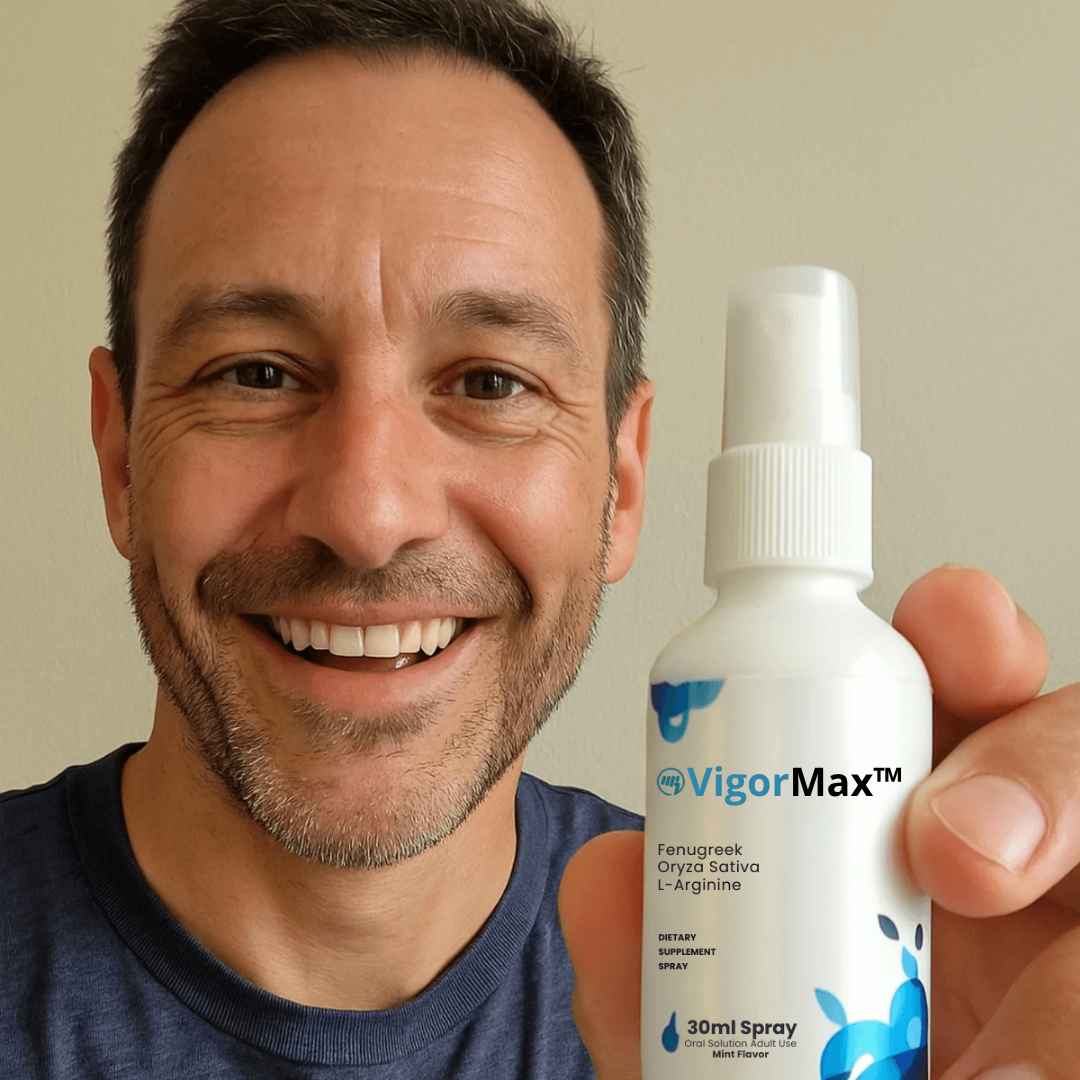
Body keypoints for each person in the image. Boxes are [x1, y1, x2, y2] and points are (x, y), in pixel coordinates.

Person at [0, 1, 1076, 1078]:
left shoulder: (763, 1002)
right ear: (120, 455)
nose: (369, 517)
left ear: (622, 481)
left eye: (489, 383)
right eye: (256, 373)